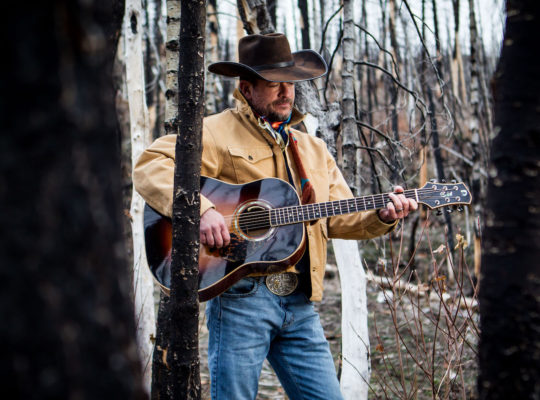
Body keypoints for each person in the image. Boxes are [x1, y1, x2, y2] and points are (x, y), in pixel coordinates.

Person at [134, 33, 417, 400]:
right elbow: (150, 166)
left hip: (300, 303)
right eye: (273, 83)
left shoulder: (312, 149)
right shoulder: (216, 132)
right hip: (241, 298)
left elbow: (336, 217)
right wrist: (202, 210)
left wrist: (383, 215)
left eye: (290, 83)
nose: (286, 92)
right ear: (247, 88)